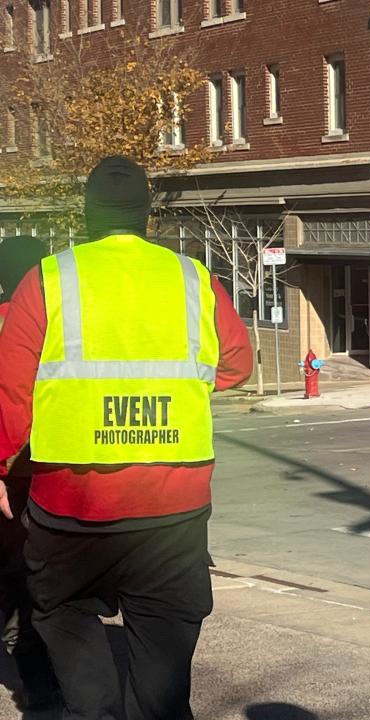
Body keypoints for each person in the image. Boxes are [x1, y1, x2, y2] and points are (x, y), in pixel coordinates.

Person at [0, 156, 253, 720]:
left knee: (61, 612)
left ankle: (95, 709)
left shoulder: (48, 278)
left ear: (87, 216)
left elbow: (11, 393)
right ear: (147, 217)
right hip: (173, 505)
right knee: (163, 676)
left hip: (69, 506)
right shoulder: (192, 278)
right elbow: (237, 364)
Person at [0, 236, 61, 712]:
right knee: (30, 583)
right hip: (41, 476)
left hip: (9, 474)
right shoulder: (54, 324)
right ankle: (40, 685)